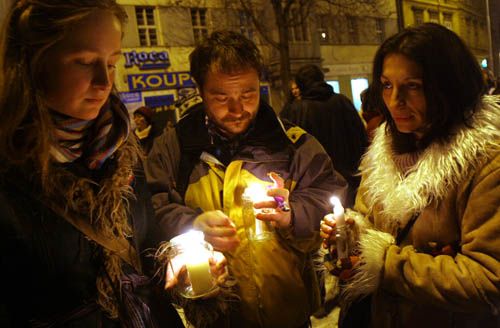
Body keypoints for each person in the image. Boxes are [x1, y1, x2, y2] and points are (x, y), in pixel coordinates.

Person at [0, 1, 186, 326]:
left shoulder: (120, 148)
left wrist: (177, 264)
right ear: (33, 62)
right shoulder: (11, 172)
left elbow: (146, 245)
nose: (104, 82)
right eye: (84, 62)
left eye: (112, 64)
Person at [145, 30, 346, 327]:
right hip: (215, 316)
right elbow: (151, 208)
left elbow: (331, 199)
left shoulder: (292, 144)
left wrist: (293, 215)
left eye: (248, 94)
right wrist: (192, 226)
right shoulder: (174, 148)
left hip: (287, 313)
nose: (238, 109)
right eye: (221, 97)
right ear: (200, 91)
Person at [320, 23, 500, 328]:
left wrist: (385, 263)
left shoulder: (485, 163)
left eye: (413, 86)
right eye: (387, 85)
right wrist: (349, 233)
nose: (394, 101)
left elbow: (488, 278)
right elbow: (369, 222)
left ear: (448, 86)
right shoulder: (384, 153)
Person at [280, 64, 368, 207]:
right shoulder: (342, 101)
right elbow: (360, 138)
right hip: (349, 181)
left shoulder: (296, 109)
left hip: (313, 187)